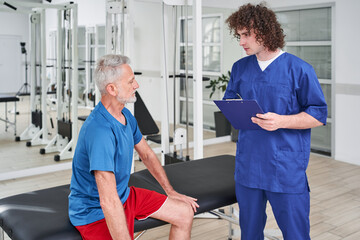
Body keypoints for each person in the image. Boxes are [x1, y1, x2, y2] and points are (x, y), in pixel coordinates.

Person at [224, 3, 327, 240]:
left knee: (295, 233)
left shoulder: (299, 69)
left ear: (265, 31)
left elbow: (318, 115)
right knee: (249, 233)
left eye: (246, 35)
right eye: (239, 35)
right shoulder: (240, 68)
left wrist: (282, 121)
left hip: (285, 167)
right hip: (248, 165)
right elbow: (231, 102)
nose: (241, 42)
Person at [68, 54, 199, 240]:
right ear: (112, 89)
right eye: (130, 82)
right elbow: (108, 201)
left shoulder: (126, 116)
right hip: (94, 212)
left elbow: (146, 154)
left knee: (184, 213)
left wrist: (169, 191)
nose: (136, 85)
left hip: (124, 195)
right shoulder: (99, 131)